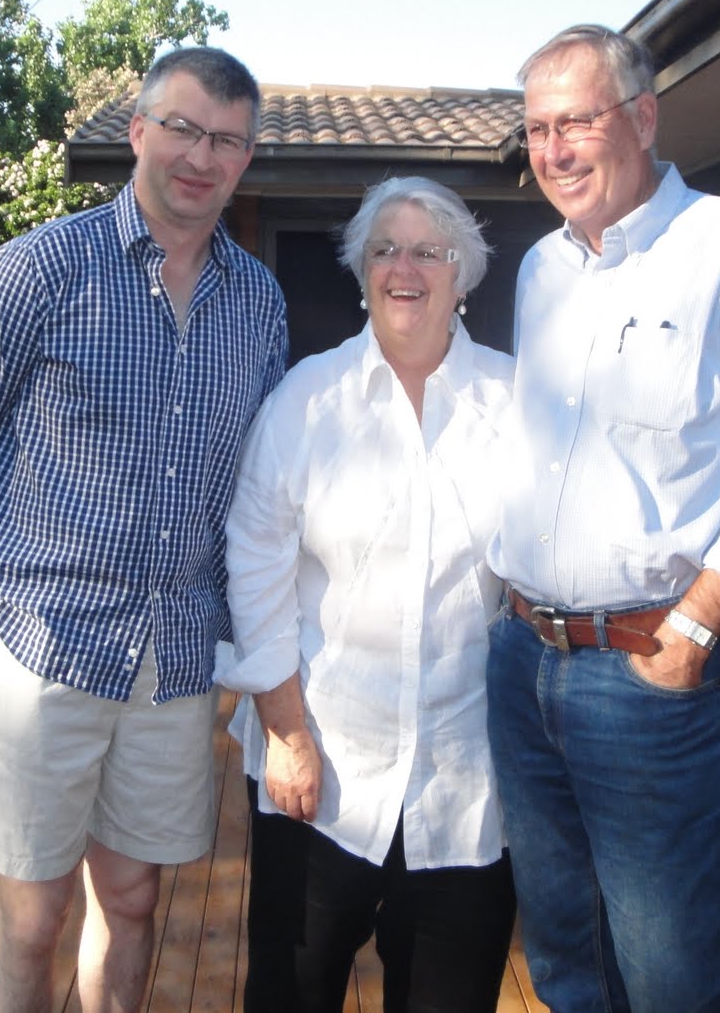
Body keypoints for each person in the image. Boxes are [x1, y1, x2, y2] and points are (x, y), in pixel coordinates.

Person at [0, 46, 287, 1013]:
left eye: (230, 141)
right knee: (32, 919)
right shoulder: (39, 268)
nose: (203, 157)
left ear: (248, 159)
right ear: (139, 133)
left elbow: (259, 479)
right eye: (185, 129)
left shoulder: (258, 302)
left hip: (172, 654)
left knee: (132, 896)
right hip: (38, 645)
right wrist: (17, 572)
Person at [486, 24, 720, 1013]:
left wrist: (701, 624)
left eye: (575, 123)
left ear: (641, 118)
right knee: (564, 957)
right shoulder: (541, 273)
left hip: (650, 680)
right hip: (523, 662)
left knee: (673, 974)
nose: (552, 150)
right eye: (535, 129)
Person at [218, 176, 518, 1013]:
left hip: (466, 782)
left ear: (464, 274)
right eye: (386, 248)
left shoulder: (517, 403)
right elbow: (256, 567)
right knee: (290, 995)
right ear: (360, 270)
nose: (405, 267)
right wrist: (284, 734)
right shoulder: (306, 400)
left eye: (431, 250)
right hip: (320, 771)